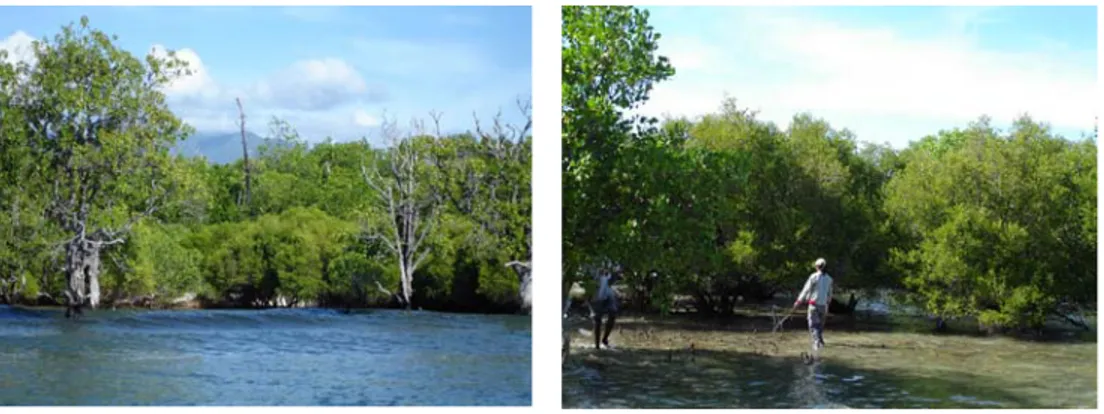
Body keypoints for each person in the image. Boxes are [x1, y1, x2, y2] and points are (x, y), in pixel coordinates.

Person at [793, 258, 833, 352]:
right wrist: (827, 304)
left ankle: (816, 344)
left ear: (817, 267)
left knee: (813, 325)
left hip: (813, 305)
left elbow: (805, 289)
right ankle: (820, 342)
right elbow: (830, 294)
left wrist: (798, 301)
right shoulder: (829, 279)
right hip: (823, 306)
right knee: (820, 325)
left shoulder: (813, 276)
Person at [591, 266, 622, 350]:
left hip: (607, 292)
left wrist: (614, 274)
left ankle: (604, 339)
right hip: (597, 294)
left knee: (613, 313)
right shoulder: (591, 263)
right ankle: (597, 345)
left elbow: (612, 278)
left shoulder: (609, 261)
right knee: (598, 319)